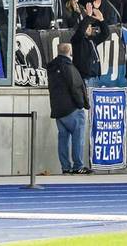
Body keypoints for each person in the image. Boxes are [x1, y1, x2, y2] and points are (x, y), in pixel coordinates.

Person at [46, 44, 90, 175]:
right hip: (72, 108)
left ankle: (65, 167)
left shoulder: (52, 67)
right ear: (70, 51)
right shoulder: (68, 66)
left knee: (63, 138)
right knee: (78, 138)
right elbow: (75, 86)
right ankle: (78, 166)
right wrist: (81, 104)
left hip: (57, 108)